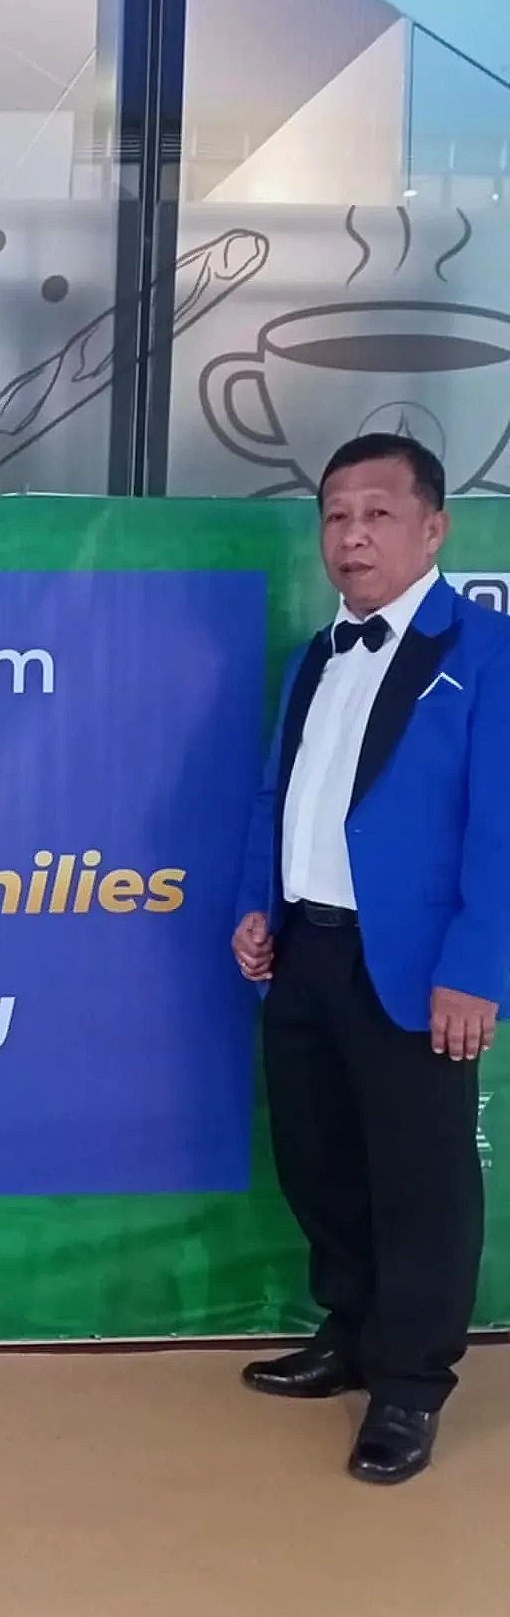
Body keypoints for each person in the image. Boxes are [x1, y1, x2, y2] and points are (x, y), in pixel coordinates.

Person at [232, 432, 510, 1484]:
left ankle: (409, 1386)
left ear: (434, 529)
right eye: (337, 515)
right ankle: (348, 1332)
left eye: (379, 514)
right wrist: (255, 906)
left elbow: (502, 827)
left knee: (420, 1181)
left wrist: (476, 967)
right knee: (319, 1157)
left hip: (420, 966)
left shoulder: (489, 652)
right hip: (307, 948)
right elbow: (279, 792)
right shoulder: (317, 653)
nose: (353, 535)